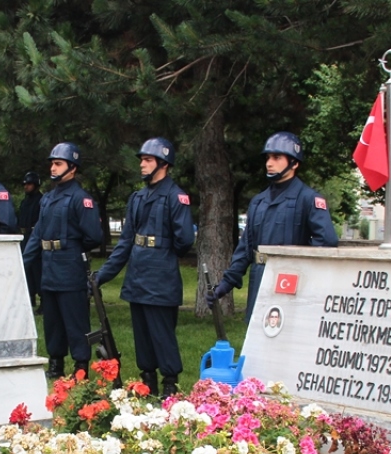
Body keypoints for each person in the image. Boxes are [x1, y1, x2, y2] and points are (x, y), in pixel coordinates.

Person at [93, 137, 195, 397]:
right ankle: (147, 381)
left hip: (161, 277)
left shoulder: (176, 197)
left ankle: (169, 384)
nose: (142, 164)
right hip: (138, 276)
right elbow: (125, 242)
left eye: (148, 160)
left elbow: (184, 240)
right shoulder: (137, 197)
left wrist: (162, 254)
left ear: (163, 163)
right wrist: (102, 276)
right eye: (142, 160)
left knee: (162, 333)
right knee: (142, 333)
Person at [210, 132, 339, 320]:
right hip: (260, 277)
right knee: (255, 332)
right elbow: (246, 248)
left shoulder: (308, 199)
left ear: (294, 163)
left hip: (291, 280)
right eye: (268, 158)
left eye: (277, 157)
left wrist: (300, 267)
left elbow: (326, 241)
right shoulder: (258, 202)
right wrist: (225, 284)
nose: (269, 163)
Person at [22, 142, 103, 378]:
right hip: (49, 266)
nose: (53, 168)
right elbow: (38, 234)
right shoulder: (47, 199)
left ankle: (80, 366)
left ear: (72, 167)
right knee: (53, 321)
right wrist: (22, 262)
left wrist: (72, 248)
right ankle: (55, 364)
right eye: (52, 164)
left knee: (75, 320)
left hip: (70, 267)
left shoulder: (80, 198)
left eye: (58, 164)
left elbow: (93, 236)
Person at [18, 171, 44, 312]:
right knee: (26, 270)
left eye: (29, 184)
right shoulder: (24, 202)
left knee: (37, 270)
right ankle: (29, 297)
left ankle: (43, 300)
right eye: (25, 184)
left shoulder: (41, 201)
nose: (26, 186)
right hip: (24, 238)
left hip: (35, 238)